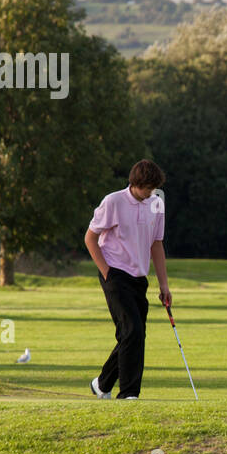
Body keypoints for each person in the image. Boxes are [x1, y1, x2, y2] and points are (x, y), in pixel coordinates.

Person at [84, 160, 170, 400]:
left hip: (139, 277)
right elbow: (90, 238)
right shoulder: (114, 201)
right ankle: (129, 394)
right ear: (135, 184)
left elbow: (156, 244)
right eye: (147, 188)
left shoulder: (156, 204)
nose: (150, 193)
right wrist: (106, 272)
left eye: (154, 188)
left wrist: (164, 285)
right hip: (115, 273)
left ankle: (102, 383)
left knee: (134, 333)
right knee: (131, 330)